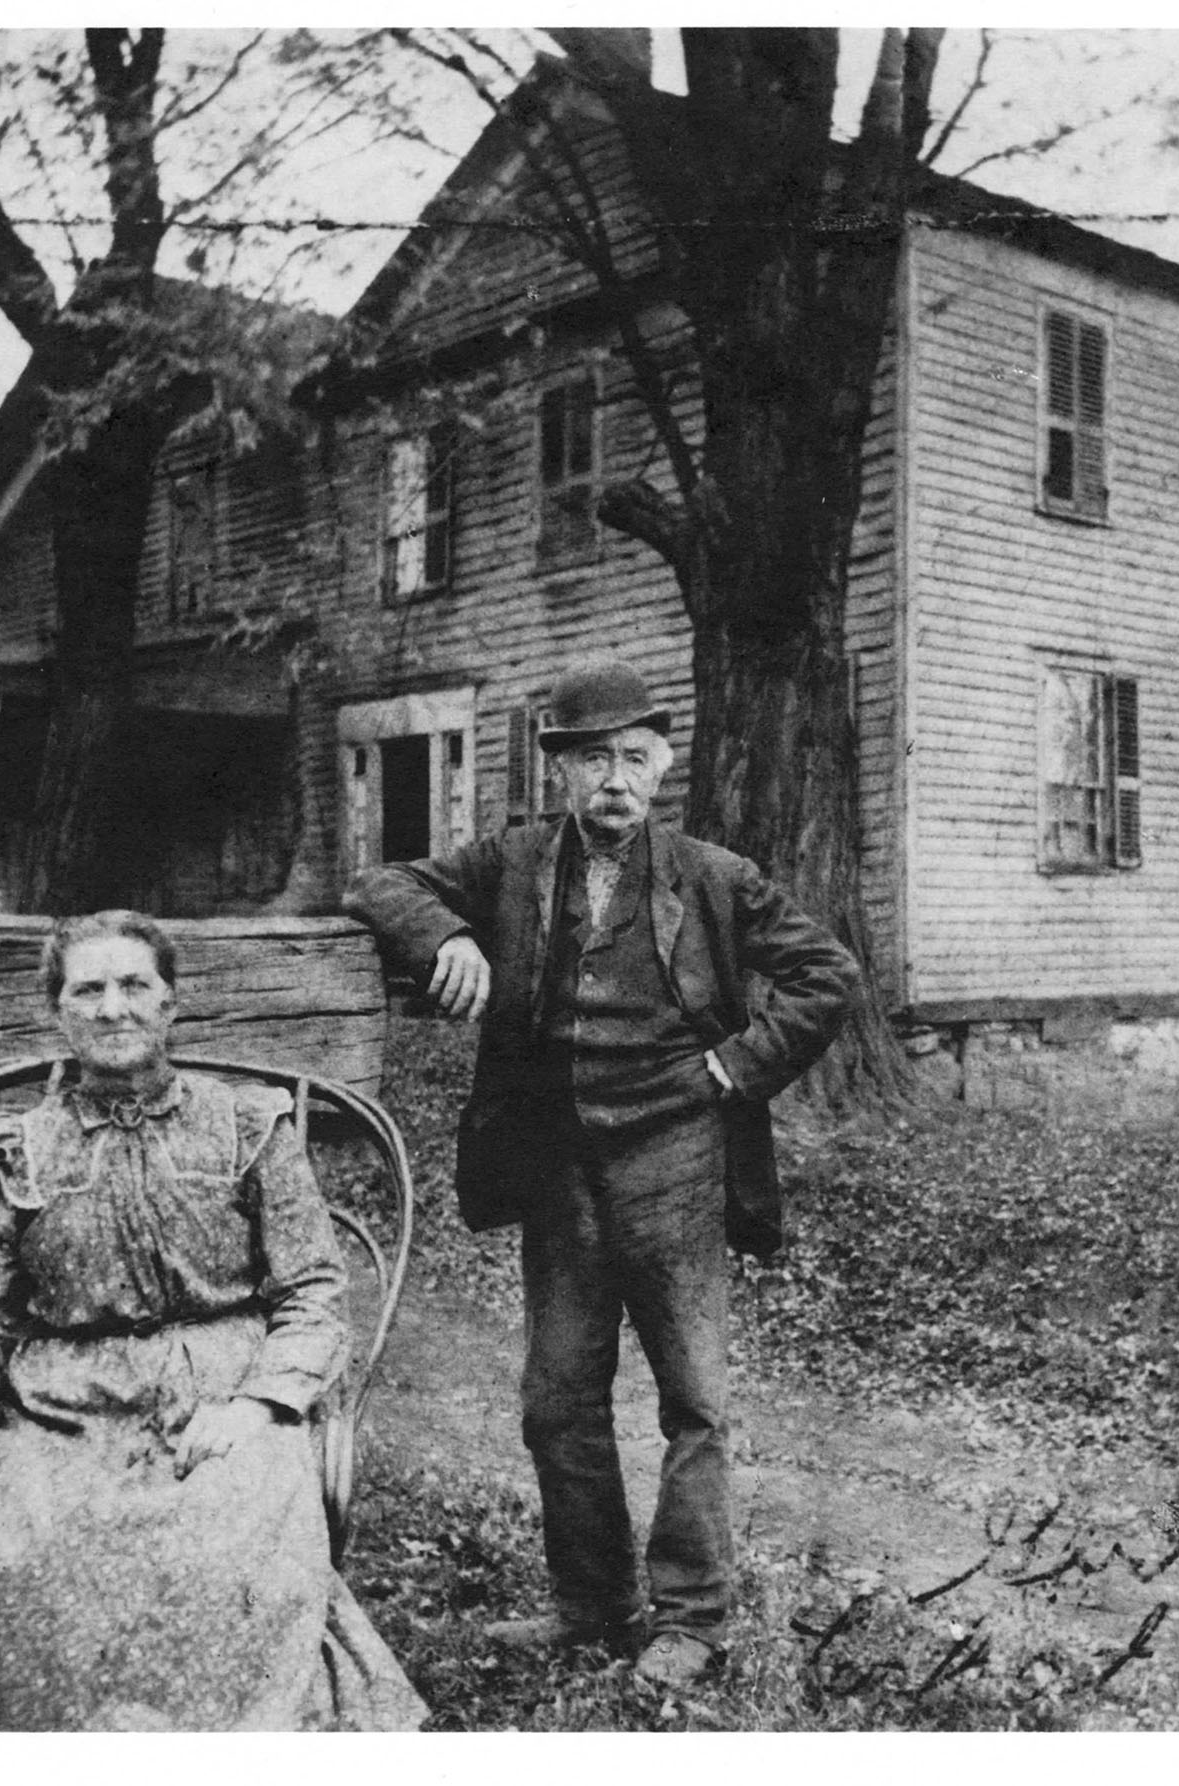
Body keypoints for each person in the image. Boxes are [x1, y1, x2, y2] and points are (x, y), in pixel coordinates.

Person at [343, 657, 857, 1688]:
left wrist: (733, 1065)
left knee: (693, 1400)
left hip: (680, 1158)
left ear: (661, 766)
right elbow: (378, 881)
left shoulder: (714, 875)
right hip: (559, 1165)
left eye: (632, 757)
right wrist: (448, 932)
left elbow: (825, 976)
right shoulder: (516, 862)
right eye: (591, 759)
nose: (613, 778)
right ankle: (590, 1602)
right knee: (556, 1400)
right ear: (560, 771)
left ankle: (691, 1618)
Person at [0, 911, 427, 1731]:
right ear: (57, 1013)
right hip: (59, 1402)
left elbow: (314, 1289)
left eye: (135, 985)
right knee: (21, 1547)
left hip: (224, 1390)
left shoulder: (250, 1128)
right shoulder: (19, 1146)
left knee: (220, 1546)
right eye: (87, 989)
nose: (113, 1008)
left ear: (171, 1004)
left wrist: (258, 1405)